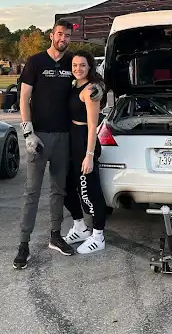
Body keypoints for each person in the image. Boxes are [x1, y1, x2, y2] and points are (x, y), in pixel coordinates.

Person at [13, 20, 104, 269]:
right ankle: (23, 245)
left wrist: (99, 90)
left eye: (68, 36)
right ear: (51, 35)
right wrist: (28, 132)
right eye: (60, 34)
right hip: (39, 136)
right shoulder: (35, 62)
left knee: (59, 190)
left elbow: (92, 81)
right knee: (32, 192)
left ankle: (56, 235)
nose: (63, 38)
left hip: (64, 136)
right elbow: (24, 98)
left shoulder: (72, 62)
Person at [62, 51, 108, 254]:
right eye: (74, 65)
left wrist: (89, 155)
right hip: (71, 141)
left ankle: (98, 236)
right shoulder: (75, 86)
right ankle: (80, 228)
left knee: (89, 191)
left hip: (84, 143)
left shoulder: (91, 90)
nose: (78, 69)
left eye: (82, 65)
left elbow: (92, 126)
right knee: (67, 188)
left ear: (90, 67)